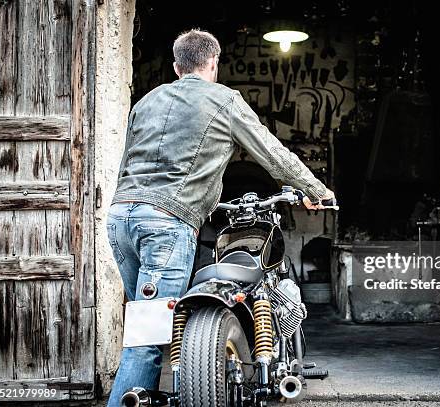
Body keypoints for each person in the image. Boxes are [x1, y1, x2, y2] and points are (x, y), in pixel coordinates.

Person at [106, 29, 334, 406]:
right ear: (213, 62)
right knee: (148, 340)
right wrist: (318, 192)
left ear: (177, 67)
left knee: (143, 330)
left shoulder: (146, 101)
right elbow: (272, 153)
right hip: (166, 221)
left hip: (122, 219)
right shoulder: (225, 100)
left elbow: (127, 162)